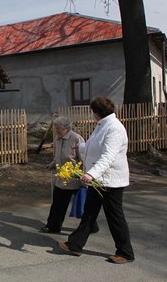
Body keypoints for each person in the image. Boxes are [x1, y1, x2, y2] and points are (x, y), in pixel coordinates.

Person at [57, 96, 135, 264]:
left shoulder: (114, 128)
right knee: (89, 212)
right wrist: (80, 147)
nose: (92, 115)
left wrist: (91, 174)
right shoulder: (102, 126)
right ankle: (75, 244)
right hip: (99, 179)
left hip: (111, 181)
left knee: (115, 216)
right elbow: (94, 145)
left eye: (93, 112)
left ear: (97, 112)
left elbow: (108, 156)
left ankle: (126, 252)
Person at [41, 116, 98, 234]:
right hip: (62, 176)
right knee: (58, 202)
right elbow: (58, 156)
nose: (56, 131)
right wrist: (52, 164)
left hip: (75, 176)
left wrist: (86, 174)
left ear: (66, 128)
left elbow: (84, 158)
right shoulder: (57, 138)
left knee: (82, 203)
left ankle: (91, 226)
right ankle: (53, 226)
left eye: (59, 129)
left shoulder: (76, 139)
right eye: (56, 128)